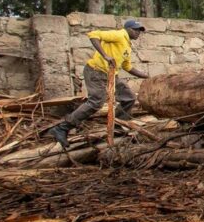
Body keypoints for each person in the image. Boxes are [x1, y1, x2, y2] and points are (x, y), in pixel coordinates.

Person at [46, 19, 150, 149]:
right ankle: (62, 128)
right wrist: (105, 56)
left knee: (129, 98)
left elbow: (127, 66)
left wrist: (147, 77)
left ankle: (117, 125)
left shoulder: (127, 46)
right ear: (128, 29)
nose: (138, 33)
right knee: (96, 102)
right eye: (135, 30)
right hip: (96, 71)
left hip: (111, 75)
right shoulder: (119, 35)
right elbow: (93, 35)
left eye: (139, 31)